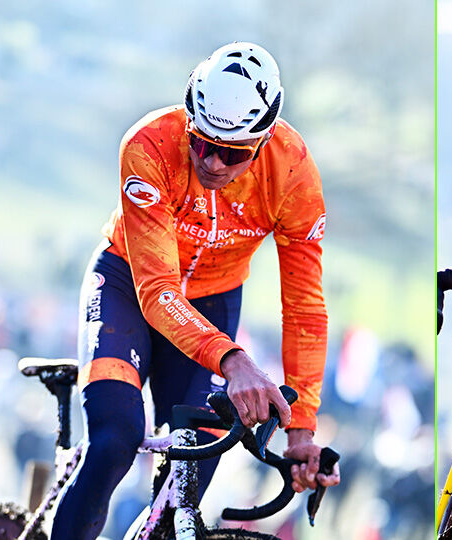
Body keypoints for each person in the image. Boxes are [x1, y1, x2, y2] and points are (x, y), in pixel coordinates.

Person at [52, 42, 340, 539]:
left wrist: (302, 431)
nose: (212, 163)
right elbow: (158, 288)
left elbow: (305, 309)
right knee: (116, 441)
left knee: (186, 485)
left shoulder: (292, 173)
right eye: (201, 143)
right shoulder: (148, 145)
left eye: (232, 153)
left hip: (214, 302)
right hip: (129, 285)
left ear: (264, 140)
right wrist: (234, 361)